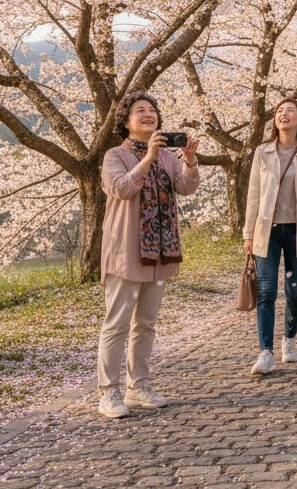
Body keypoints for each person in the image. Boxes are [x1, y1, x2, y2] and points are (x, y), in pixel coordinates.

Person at [97, 91, 200, 419]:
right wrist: (148, 157)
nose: (148, 114)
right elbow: (122, 189)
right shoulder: (115, 155)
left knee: (146, 324)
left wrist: (190, 159)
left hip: (159, 252)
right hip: (126, 251)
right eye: (140, 111)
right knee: (116, 324)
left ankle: (138, 387)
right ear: (126, 122)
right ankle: (108, 393)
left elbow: (186, 187)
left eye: (152, 110)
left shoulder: (169, 157)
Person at [243, 98, 297, 375]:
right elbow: (254, 194)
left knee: (294, 291)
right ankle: (265, 352)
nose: (284, 114)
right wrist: (248, 233)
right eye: (279, 111)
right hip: (266, 230)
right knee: (266, 291)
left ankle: (289, 338)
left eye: (290, 111)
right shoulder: (263, 152)